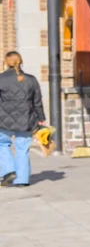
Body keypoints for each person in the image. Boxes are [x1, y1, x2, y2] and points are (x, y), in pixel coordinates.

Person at [0, 52, 46, 188]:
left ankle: (8, 170)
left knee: (2, 144)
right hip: (27, 120)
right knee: (22, 148)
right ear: (21, 62)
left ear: (6, 63)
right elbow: (37, 101)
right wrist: (41, 118)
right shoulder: (31, 80)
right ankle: (22, 179)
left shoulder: (1, 79)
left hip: (3, 120)